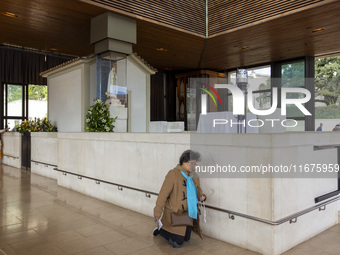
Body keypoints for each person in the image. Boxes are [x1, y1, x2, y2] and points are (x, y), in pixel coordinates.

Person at [153, 150, 206, 248]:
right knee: (177, 244)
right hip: (175, 214)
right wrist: (157, 213)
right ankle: (161, 230)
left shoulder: (194, 176)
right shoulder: (173, 174)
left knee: (187, 239)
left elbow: (197, 191)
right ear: (184, 161)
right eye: (191, 163)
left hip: (189, 213)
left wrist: (201, 196)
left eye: (195, 164)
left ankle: (165, 230)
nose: (193, 166)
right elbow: (162, 195)